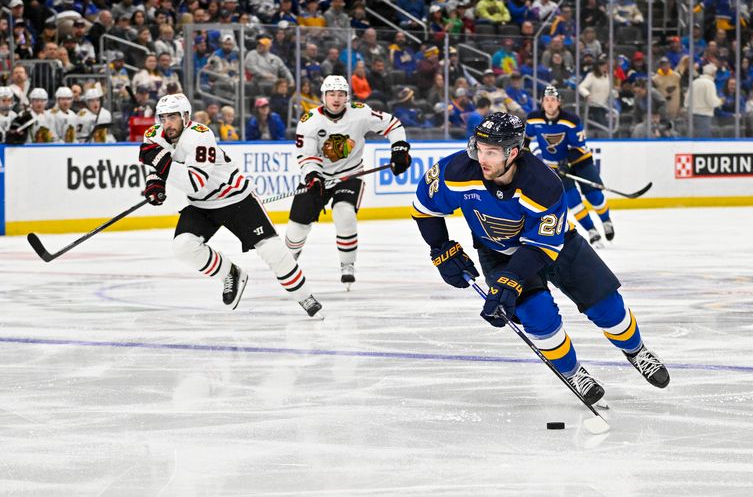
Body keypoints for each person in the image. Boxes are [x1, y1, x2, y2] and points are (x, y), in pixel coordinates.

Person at [411, 112, 669, 405]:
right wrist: (440, 248)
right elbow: (424, 207)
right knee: (538, 317)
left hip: (556, 245)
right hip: (497, 252)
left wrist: (511, 281)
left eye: (492, 152)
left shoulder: (543, 184)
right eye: (479, 148)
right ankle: (573, 372)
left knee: (606, 306)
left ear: (514, 152)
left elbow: (541, 246)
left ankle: (636, 351)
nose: (482, 158)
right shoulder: (455, 172)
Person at [137, 93, 324, 318]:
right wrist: (154, 184)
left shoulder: (200, 136)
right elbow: (156, 168)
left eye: (173, 117)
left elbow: (195, 182)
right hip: (200, 205)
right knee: (183, 247)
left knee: (272, 251)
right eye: (163, 118)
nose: (167, 124)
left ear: (185, 117)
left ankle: (306, 297)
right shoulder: (153, 135)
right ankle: (230, 273)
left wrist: (160, 162)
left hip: (236, 199)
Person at [284, 75, 412, 288]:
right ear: (323, 96)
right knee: (297, 225)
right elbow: (306, 156)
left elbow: (393, 124)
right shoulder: (310, 122)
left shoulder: (360, 112)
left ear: (347, 97)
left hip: (350, 175)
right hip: (319, 178)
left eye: (341, 94)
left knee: (344, 213)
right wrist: (313, 176)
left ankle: (347, 265)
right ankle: (287, 264)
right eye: (332, 94)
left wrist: (399, 148)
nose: (336, 99)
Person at [526, 86, 614, 246]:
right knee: (572, 200)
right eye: (546, 100)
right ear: (542, 103)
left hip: (580, 162)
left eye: (553, 100)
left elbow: (579, 146)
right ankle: (591, 231)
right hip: (555, 168)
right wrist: (524, 153)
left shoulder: (571, 120)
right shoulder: (533, 119)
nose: (550, 103)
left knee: (594, 196)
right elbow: (526, 138)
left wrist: (566, 162)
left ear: (559, 102)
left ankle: (606, 220)